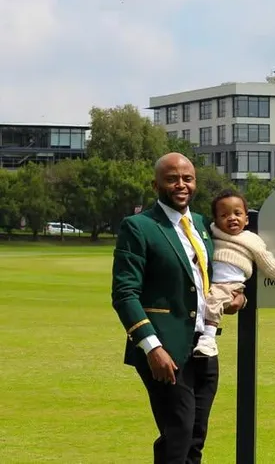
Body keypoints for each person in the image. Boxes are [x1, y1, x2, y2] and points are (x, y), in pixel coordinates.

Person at [111, 152, 244, 463]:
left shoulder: (203, 224)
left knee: (195, 437)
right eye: (172, 179)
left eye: (187, 178)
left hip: (204, 348)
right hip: (165, 350)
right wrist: (152, 348)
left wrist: (238, 297)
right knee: (178, 433)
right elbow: (124, 294)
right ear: (156, 185)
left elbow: (225, 268)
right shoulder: (139, 227)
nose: (181, 185)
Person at [193, 189, 275, 357]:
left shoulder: (251, 240)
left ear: (246, 219)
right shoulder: (210, 235)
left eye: (237, 213)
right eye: (224, 215)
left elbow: (269, 264)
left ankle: (208, 339)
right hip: (207, 282)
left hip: (229, 285)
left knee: (214, 301)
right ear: (215, 220)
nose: (232, 218)